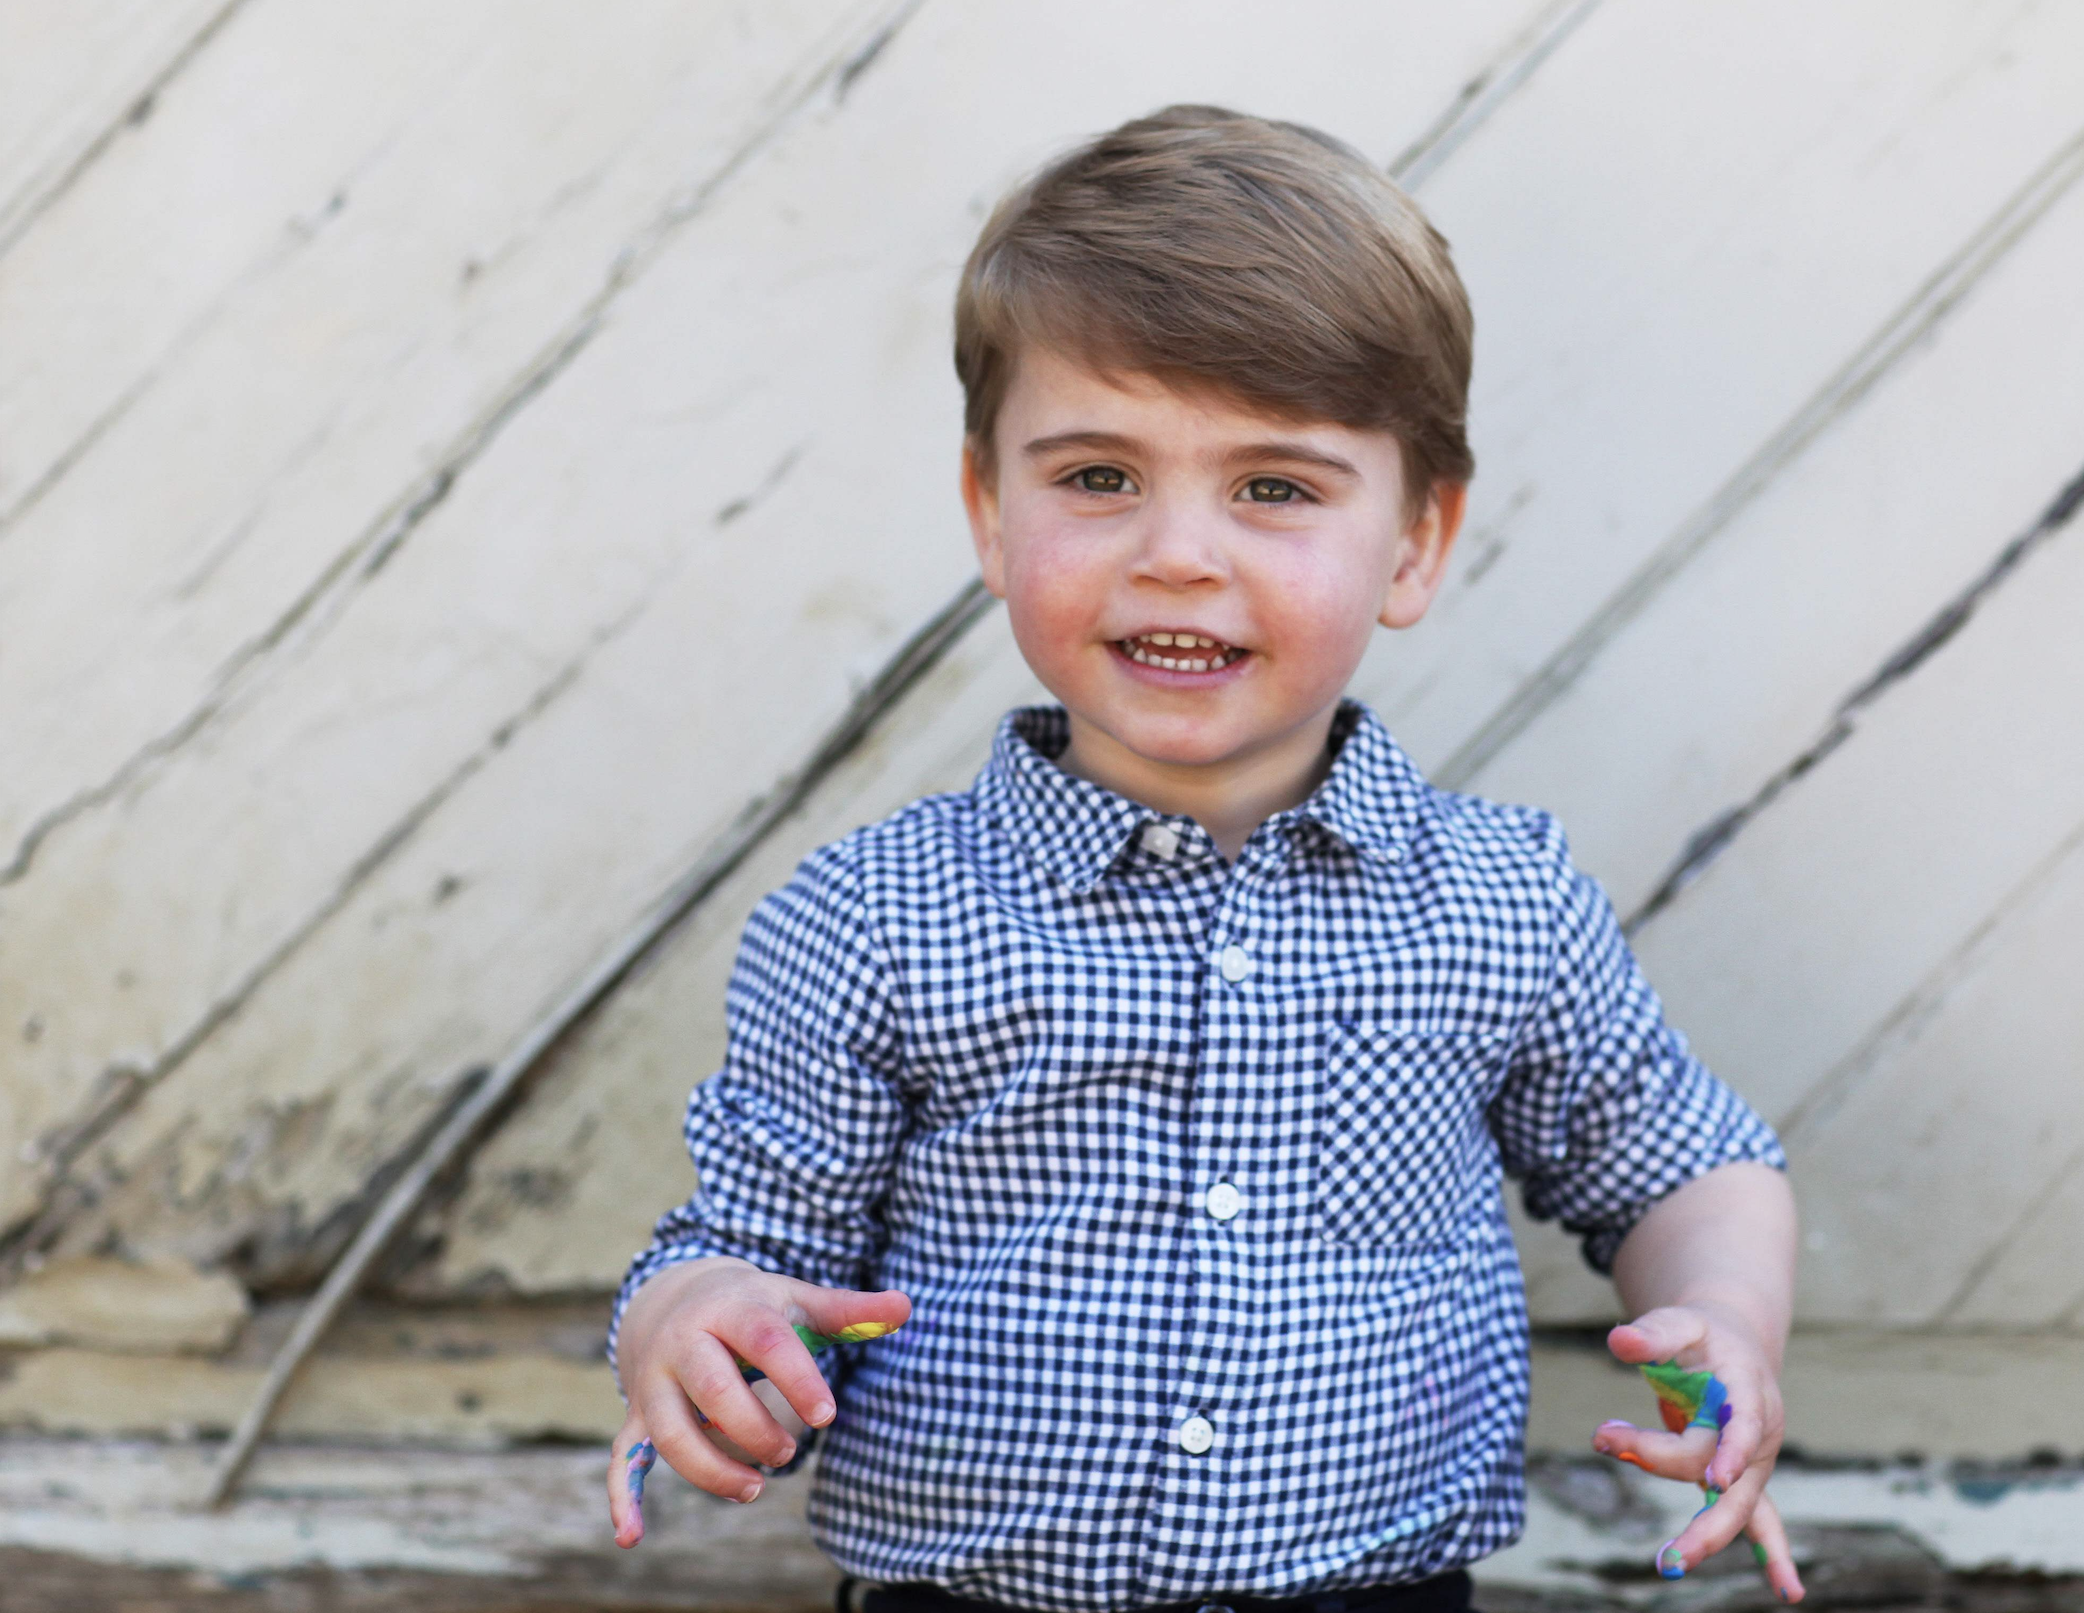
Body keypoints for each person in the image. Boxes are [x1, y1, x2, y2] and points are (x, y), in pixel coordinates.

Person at [604, 104, 1802, 1612]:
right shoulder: (871, 920)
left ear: (1417, 542)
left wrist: (1724, 1321)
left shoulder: (1499, 902)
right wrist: (702, 1324)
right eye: (1097, 477)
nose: (1178, 551)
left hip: (1366, 1589)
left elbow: (1679, 1163)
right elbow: (747, 1244)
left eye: (1274, 488)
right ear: (990, 510)